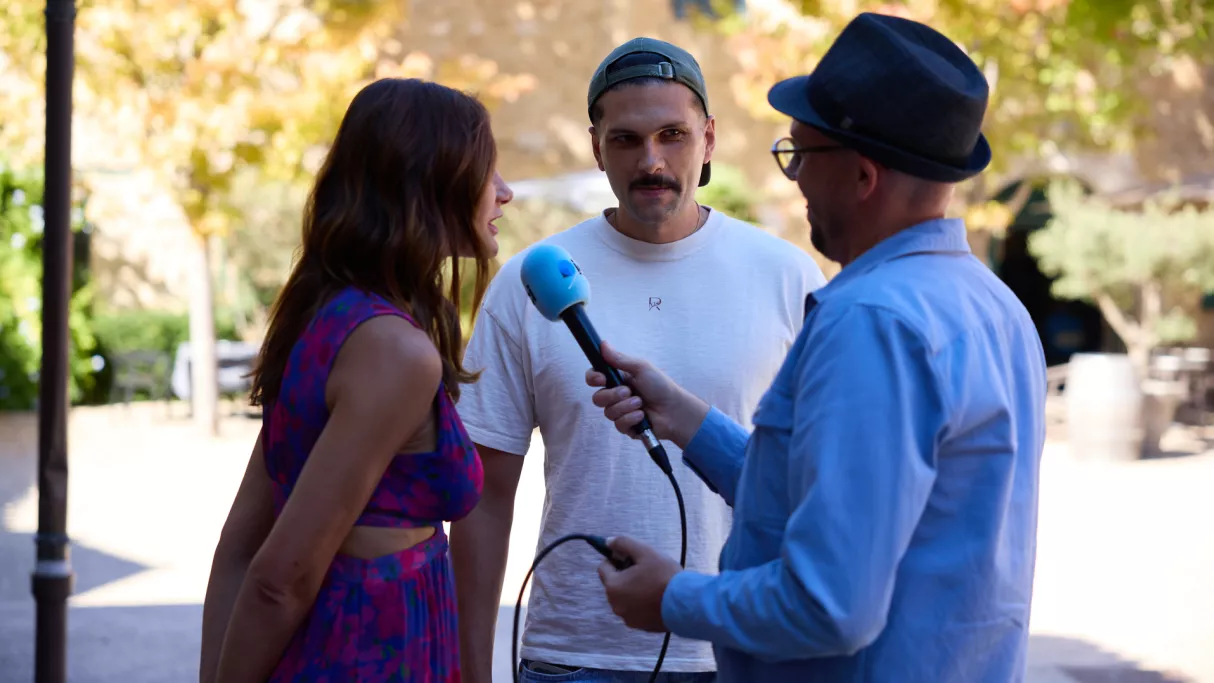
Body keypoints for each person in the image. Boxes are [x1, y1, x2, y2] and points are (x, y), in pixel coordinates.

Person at [586, 13, 1048, 683]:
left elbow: (830, 605)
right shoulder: (991, 305)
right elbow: (829, 503)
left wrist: (672, 597)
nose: (795, 177)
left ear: (862, 176)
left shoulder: (873, 321)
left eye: (801, 154)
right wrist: (685, 418)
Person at [450, 38, 826, 682]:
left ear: (708, 139)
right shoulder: (527, 281)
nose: (651, 160)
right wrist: (470, 669)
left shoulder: (787, 276)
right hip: (573, 656)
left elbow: (820, 484)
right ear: (596, 146)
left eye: (673, 134)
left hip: (742, 651)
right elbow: (484, 496)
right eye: (626, 140)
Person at [198, 77, 514, 683]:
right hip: (366, 658)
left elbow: (239, 546)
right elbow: (278, 578)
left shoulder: (327, 314)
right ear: (431, 181)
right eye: (487, 172)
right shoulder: (396, 353)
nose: (504, 192)